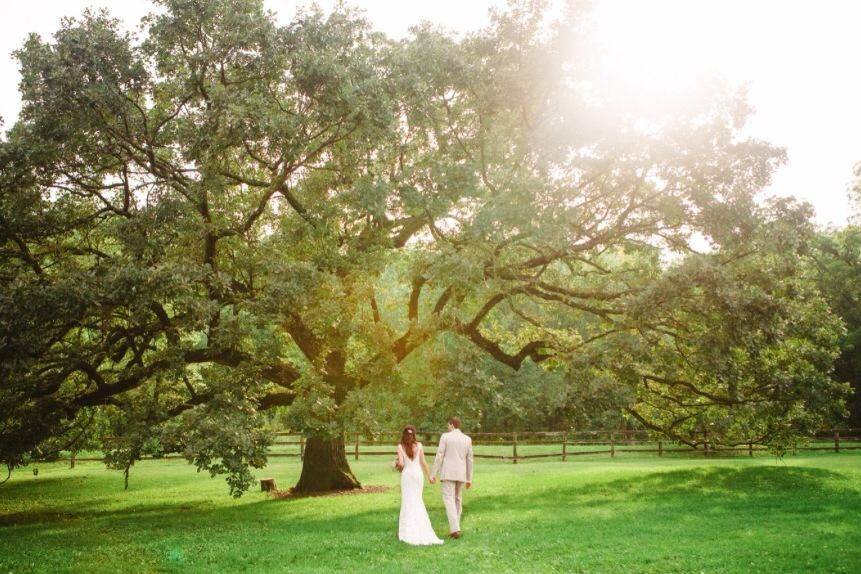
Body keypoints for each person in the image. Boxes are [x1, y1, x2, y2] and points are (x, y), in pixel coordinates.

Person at [395, 425, 443, 545]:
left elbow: (401, 464)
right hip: (418, 475)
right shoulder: (419, 445)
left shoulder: (400, 446)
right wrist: (430, 476)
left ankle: (406, 530)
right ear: (414, 435)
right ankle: (420, 528)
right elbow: (424, 463)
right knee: (417, 500)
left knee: (407, 501)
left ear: (403, 434)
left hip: (407, 476)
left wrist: (394, 464)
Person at [431, 416, 474, 539]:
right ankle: (456, 527)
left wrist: (433, 473)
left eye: (448, 425)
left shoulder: (445, 437)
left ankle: (455, 528)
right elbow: (470, 460)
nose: (447, 427)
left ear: (451, 425)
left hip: (448, 473)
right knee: (457, 499)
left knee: (449, 499)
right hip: (461, 474)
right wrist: (469, 478)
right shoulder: (467, 439)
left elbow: (439, 455)